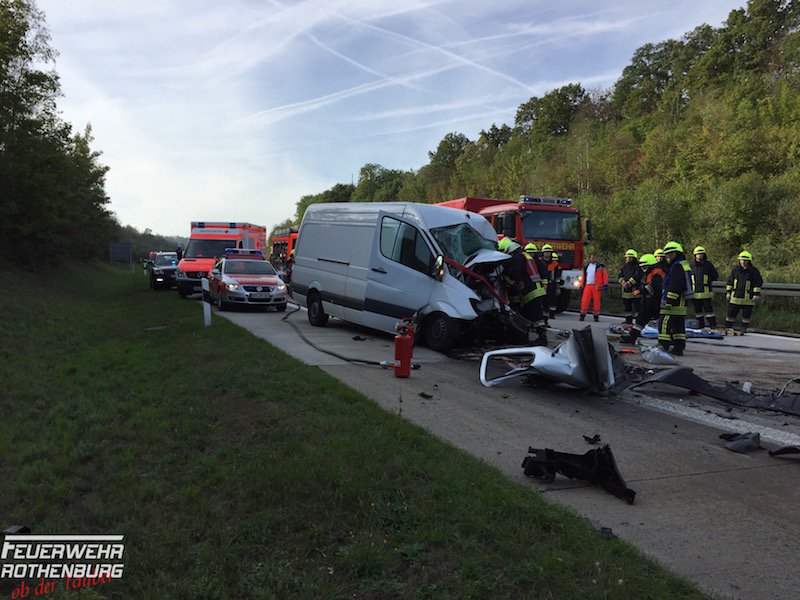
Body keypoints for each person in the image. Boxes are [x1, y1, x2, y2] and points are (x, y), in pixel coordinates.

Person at [499, 238, 548, 345]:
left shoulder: (518, 258)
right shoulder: (526, 255)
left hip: (530, 292)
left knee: (534, 316)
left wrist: (506, 282)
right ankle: (529, 338)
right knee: (531, 315)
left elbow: (514, 273)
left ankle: (542, 338)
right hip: (536, 289)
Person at [658, 241, 694, 356]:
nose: (668, 256)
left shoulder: (677, 266)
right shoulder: (684, 264)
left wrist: (670, 300)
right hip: (682, 301)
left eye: (670, 254)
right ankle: (678, 348)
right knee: (678, 325)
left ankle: (663, 346)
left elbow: (675, 284)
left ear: (676, 253)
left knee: (664, 322)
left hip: (673, 301)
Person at [621, 253, 665, 344]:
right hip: (649, 301)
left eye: (645, 267)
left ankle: (666, 341)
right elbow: (638, 278)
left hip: (657, 301)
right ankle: (632, 337)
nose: (643, 269)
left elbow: (654, 286)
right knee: (641, 319)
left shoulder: (656, 272)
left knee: (662, 322)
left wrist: (640, 291)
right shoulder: (648, 272)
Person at [725, 250, 763, 333]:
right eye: (742, 260)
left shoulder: (753, 271)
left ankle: (743, 328)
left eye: (745, 260)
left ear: (749, 261)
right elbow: (730, 281)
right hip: (735, 297)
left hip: (748, 298)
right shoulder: (735, 270)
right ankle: (728, 327)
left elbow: (758, 282)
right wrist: (728, 292)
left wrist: (756, 294)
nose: (743, 262)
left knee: (746, 315)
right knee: (731, 314)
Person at [691, 246, 719, 328]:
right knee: (698, 312)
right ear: (695, 255)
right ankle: (700, 325)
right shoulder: (691, 265)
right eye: (697, 254)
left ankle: (713, 325)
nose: (699, 256)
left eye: (701, 254)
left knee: (709, 311)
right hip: (695, 293)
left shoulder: (708, 265)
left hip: (706, 293)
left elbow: (715, 275)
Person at [579, 252, 608, 322]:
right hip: (588, 285)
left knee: (597, 302)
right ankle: (582, 315)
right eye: (591, 258)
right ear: (589, 258)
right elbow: (583, 277)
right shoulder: (586, 267)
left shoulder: (600, 266)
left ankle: (596, 316)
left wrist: (605, 284)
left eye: (594, 258)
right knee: (585, 301)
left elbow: (605, 276)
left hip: (597, 286)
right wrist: (581, 285)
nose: (593, 259)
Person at [618, 249, 643, 324]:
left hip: (635, 290)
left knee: (637, 308)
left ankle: (639, 322)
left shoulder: (638, 266)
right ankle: (628, 321)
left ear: (634, 258)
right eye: (627, 257)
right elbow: (620, 275)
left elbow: (638, 275)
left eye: (630, 257)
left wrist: (630, 283)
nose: (628, 259)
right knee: (627, 307)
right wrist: (622, 281)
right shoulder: (624, 267)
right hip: (626, 291)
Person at [541, 245, 562, 320]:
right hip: (542, 284)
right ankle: (543, 316)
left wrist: (557, 286)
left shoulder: (555, 263)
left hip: (551, 284)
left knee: (553, 299)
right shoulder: (540, 262)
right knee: (543, 301)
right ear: (543, 253)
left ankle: (551, 315)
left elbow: (557, 275)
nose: (547, 254)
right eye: (546, 252)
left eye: (549, 252)